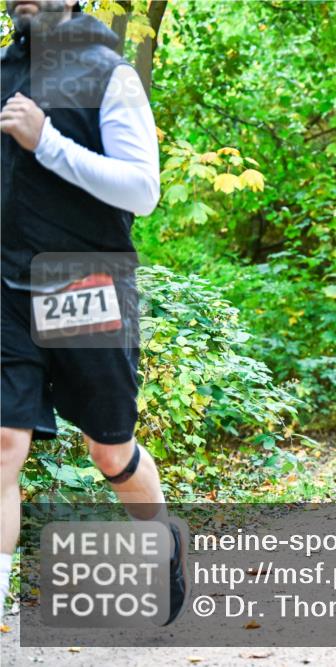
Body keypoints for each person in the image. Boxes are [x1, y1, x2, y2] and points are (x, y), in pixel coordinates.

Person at [0, 0, 187, 622]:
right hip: (6, 283)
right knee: (4, 443)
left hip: (83, 280)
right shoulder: (4, 73)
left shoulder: (108, 71)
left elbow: (143, 189)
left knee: (108, 450)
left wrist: (46, 140)